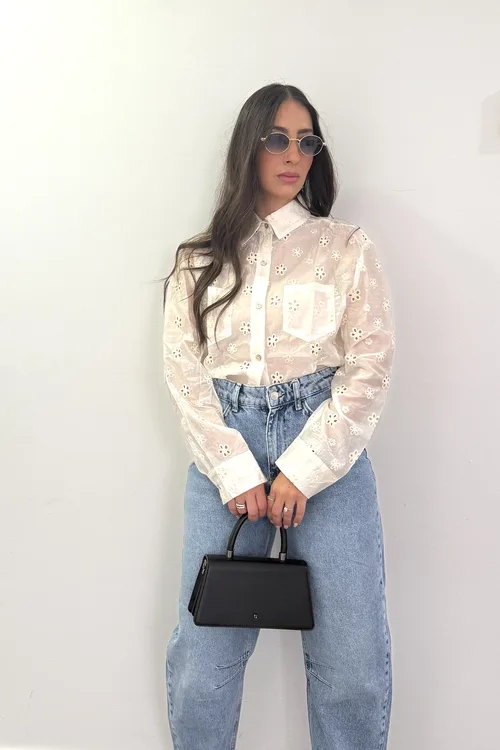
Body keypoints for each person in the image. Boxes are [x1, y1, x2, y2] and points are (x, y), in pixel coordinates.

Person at [162, 82, 394, 750]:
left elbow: (369, 365)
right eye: (277, 138)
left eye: (306, 141)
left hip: (328, 448)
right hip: (223, 453)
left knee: (352, 662)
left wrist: (304, 468)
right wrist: (236, 471)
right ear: (249, 146)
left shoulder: (346, 248)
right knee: (202, 662)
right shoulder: (199, 259)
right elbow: (184, 372)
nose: (293, 154)